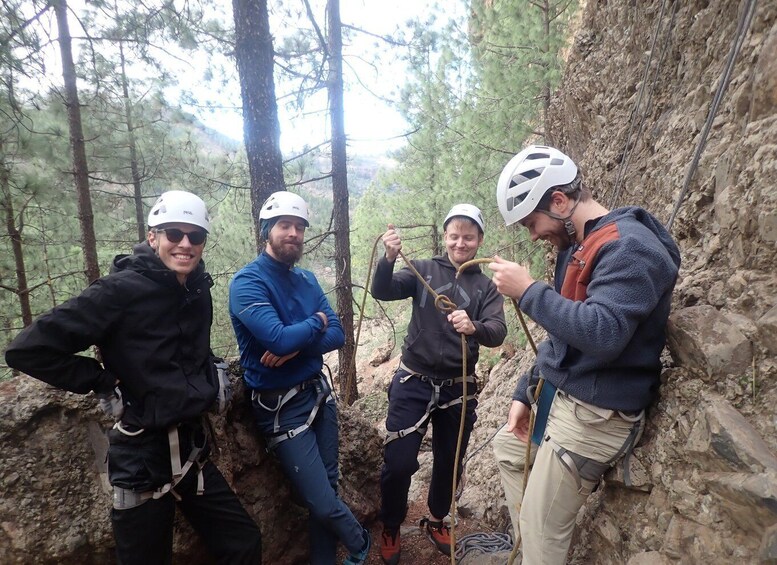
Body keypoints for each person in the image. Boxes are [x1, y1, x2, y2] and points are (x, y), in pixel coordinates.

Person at [4, 190, 263, 564]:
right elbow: (26, 350)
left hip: (192, 450)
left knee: (243, 542)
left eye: (196, 236)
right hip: (140, 456)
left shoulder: (196, 288)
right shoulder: (119, 291)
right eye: (174, 233)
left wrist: (212, 372)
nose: (185, 244)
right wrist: (100, 379)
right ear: (152, 236)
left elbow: (186, 349)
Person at [490, 144, 681, 564]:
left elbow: (604, 333)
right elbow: (564, 335)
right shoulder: (580, 245)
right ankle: (534, 545)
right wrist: (526, 391)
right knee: (508, 449)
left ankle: (540, 546)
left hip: (597, 413)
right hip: (567, 397)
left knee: (542, 530)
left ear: (559, 201)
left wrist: (528, 292)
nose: (533, 234)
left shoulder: (629, 248)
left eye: (532, 222)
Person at [229, 191, 370, 565]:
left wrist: (298, 344)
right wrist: (315, 323)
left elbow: (337, 333)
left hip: (318, 396)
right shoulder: (247, 283)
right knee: (321, 500)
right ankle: (359, 542)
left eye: (299, 227)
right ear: (267, 231)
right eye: (284, 226)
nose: (293, 233)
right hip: (281, 409)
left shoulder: (306, 279)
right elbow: (278, 338)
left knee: (328, 487)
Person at [371, 204, 508, 564]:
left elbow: (498, 331)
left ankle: (435, 519)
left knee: (450, 460)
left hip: (457, 386)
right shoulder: (424, 270)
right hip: (414, 379)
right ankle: (391, 524)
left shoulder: (486, 286)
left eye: (468, 236)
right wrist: (387, 258)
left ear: (479, 240)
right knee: (399, 462)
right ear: (445, 237)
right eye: (454, 235)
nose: (460, 243)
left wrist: (474, 326)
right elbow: (383, 291)